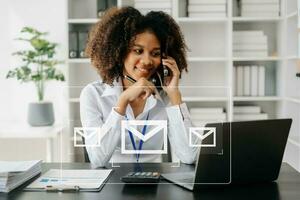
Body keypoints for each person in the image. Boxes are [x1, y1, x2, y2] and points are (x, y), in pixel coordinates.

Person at [80, 7, 198, 168]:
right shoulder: (93, 94)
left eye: (155, 53)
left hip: (154, 183)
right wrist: (122, 102)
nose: (147, 61)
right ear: (120, 52)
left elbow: (190, 156)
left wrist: (175, 96)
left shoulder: (165, 96)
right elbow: (97, 159)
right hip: (110, 185)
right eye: (138, 51)